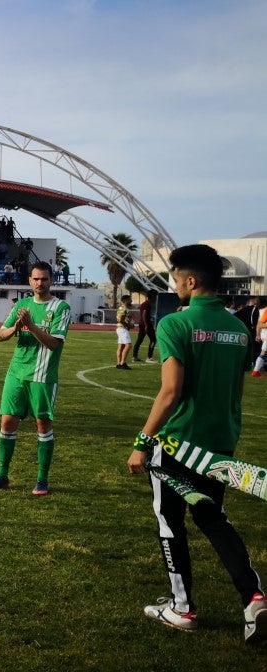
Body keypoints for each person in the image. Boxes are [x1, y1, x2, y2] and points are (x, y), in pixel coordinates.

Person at [126, 243, 265, 642]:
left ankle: (182, 608)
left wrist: (141, 441)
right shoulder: (239, 328)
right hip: (220, 440)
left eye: (174, 278)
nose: (174, 285)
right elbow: (234, 391)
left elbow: (170, 392)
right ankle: (253, 595)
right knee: (212, 518)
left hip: (177, 445)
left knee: (170, 522)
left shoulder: (175, 324)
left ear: (189, 280)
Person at [0, 261, 71, 496]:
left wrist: (30, 326)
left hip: (42, 376)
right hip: (16, 373)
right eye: (36, 279)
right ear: (30, 281)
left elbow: (53, 343)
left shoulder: (61, 308)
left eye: (44, 279)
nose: (40, 283)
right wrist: (16, 327)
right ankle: (2, 475)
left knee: (42, 425)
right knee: (7, 422)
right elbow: (1, 335)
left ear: (52, 280)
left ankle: (42, 479)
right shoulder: (22, 304)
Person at [133, 289, 159, 363]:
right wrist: (147, 325)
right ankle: (149, 357)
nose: (156, 298)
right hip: (145, 324)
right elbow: (144, 314)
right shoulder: (147, 304)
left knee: (139, 341)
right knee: (153, 340)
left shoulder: (145, 303)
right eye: (155, 296)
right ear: (152, 296)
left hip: (143, 324)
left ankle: (135, 357)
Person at [116, 294, 134, 369]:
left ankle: (119, 363)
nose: (131, 301)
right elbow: (120, 319)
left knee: (121, 346)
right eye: (130, 300)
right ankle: (123, 363)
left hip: (121, 329)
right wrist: (129, 325)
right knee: (128, 345)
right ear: (126, 301)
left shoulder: (122, 308)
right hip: (123, 329)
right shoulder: (123, 308)